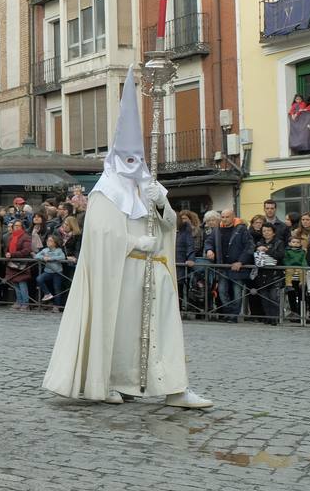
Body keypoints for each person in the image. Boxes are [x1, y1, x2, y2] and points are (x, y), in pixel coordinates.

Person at [43, 70, 210, 409]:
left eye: (139, 159)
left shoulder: (150, 186)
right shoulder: (106, 192)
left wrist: (161, 202)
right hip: (122, 274)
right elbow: (101, 236)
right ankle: (113, 381)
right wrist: (134, 244)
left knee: (164, 330)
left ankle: (175, 387)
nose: (135, 165)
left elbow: (171, 224)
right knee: (121, 334)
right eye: (129, 159)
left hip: (158, 271)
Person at [204, 208, 251, 322]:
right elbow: (208, 241)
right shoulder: (217, 229)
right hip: (222, 266)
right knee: (222, 292)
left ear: (233, 216)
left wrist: (240, 262)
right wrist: (209, 250)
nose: (224, 219)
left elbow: (249, 247)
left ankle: (234, 316)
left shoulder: (242, 229)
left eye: (227, 217)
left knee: (237, 293)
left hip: (237, 267)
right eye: (223, 217)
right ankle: (229, 313)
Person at [35, 234, 67, 305]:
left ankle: (57, 306)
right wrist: (43, 258)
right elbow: (36, 256)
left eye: (50, 241)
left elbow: (62, 257)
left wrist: (50, 258)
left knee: (57, 289)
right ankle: (47, 294)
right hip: (48, 271)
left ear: (55, 243)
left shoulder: (58, 250)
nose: (48, 242)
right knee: (39, 279)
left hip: (57, 272)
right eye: (48, 240)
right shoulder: (45, 250)